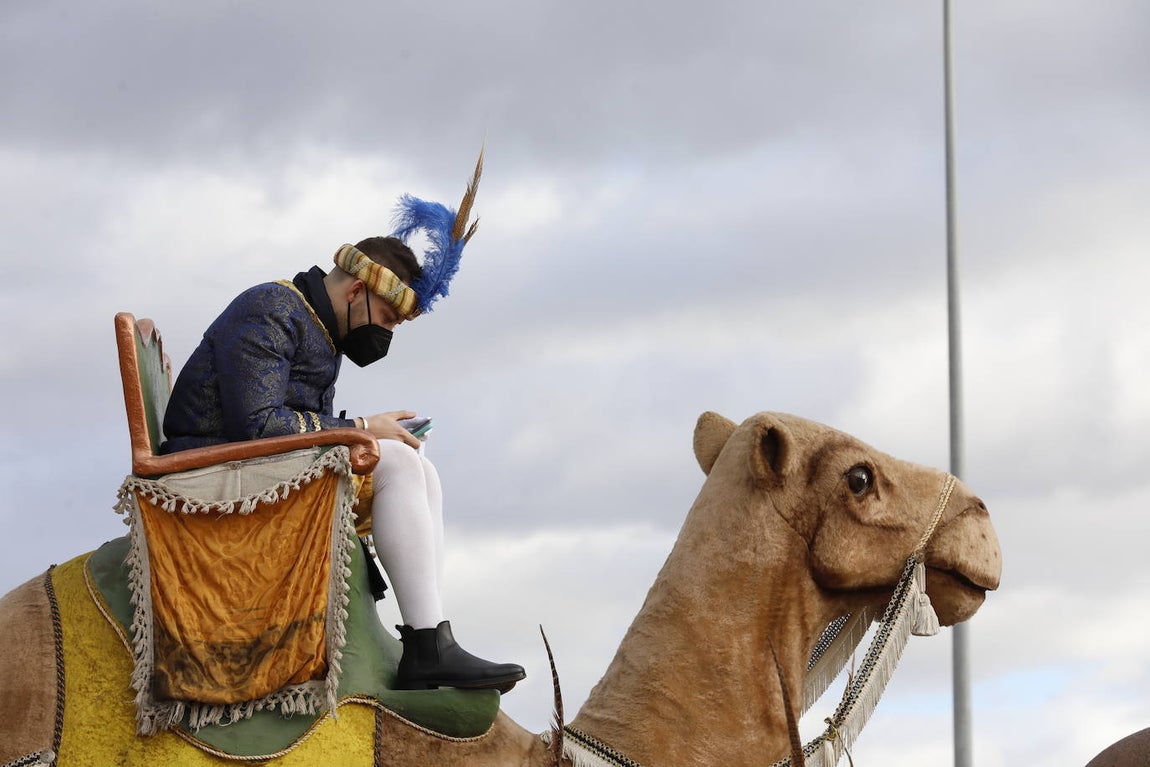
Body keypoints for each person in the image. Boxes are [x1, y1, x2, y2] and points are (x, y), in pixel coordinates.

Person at [160, 158, 525, 693]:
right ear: (357, 291)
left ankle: (432, 635)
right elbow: (257, 426)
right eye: (388, 320)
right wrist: (361, 427)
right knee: (394, 458)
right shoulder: (271, 309)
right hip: (213, 473)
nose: (386, 335)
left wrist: (365, 429)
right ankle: (426, 646)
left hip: (248, 466)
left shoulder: (316, 327)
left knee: (417, 465)